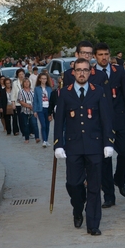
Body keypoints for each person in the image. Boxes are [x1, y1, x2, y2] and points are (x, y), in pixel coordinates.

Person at [53, 58, 114, 236]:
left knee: (95, 186)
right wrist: (58, 144)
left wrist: (108, 142)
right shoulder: (65, 93)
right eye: (78, 70)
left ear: (90, 72)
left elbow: (105, 119)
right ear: (73, 72)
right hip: (73, 146)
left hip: (94, 145)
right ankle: (78, 208)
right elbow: (59, 122)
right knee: (73, 183)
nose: (81, 73)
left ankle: (93, 224)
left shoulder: (98, 92)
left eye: (85, 70)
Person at [93, 42, 125, 208]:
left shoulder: (119, 72)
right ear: (95, 57)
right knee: (105, 160)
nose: (104, 57)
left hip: (119, 120)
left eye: (106, 54)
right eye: (100, 55)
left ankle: (119, 179)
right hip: (101, 123)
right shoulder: (92, 74)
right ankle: (109, 196)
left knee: (124, 153)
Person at [34, 71, 55, 147]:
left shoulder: (49, 88)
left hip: (48, 108)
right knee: (43, 125)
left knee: (47, 125)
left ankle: (46, 140)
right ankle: (44, 140)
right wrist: (35, 110)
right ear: (39, 79)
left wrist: (52, 110)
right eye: (42, 79)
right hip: (40, 109)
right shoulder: (37, 89)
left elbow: (52, 100)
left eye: (45, 79)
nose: (44, 80)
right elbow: (35, 100)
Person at [18, 78, 38, 144]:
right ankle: (27, 138)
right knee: (26, 125)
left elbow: (36, 100)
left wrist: (34, 107)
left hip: (33, 111)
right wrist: (29, 106)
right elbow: (20, 101)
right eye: (25, 82)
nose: (26, 83)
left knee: (34, 124)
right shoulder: (21, 91)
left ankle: (37, 137)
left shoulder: (32, 91)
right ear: (23, 83)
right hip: (24, 111)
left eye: (28, 82)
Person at [12, 69, 28, 138]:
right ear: (17, 75)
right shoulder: (15, 83)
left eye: (22, 74)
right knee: (21, 119)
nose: (21, 76)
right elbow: (13, 93)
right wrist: (13, 103)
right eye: (20, 74)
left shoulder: (27, 82)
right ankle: (24, 132)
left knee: (28, 118)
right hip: (18, 104)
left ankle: (29, 131)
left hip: (27, 103)